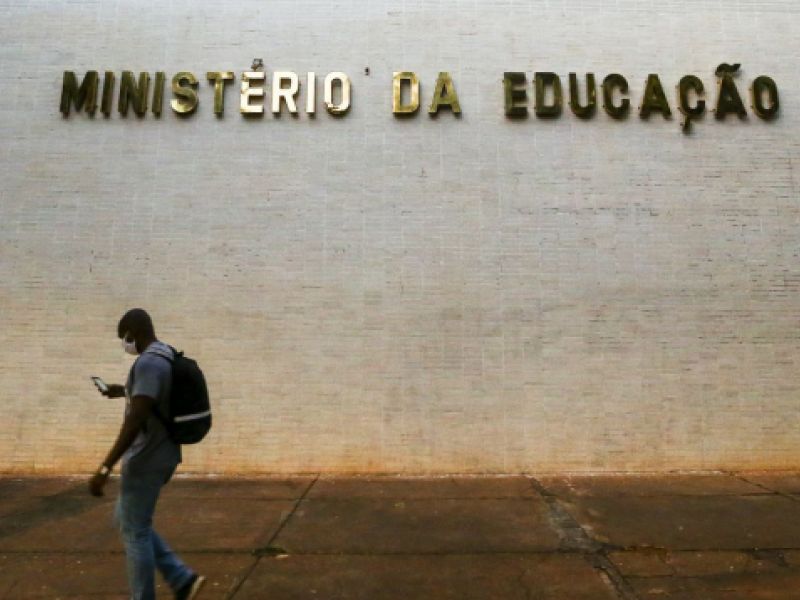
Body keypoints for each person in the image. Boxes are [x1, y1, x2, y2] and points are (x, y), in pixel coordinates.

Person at [88, 308, 205, 600]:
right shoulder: (164, 353)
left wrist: (105, 467)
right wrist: (121, 390)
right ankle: (181, 578)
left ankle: (152, 592)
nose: (124, 344)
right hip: (163, 453)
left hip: (146, 458)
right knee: (127, 520)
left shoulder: (149, 363)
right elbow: (149, 398)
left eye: (124, 337)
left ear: (134, 333)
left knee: (135, 533)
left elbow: (136, 418)